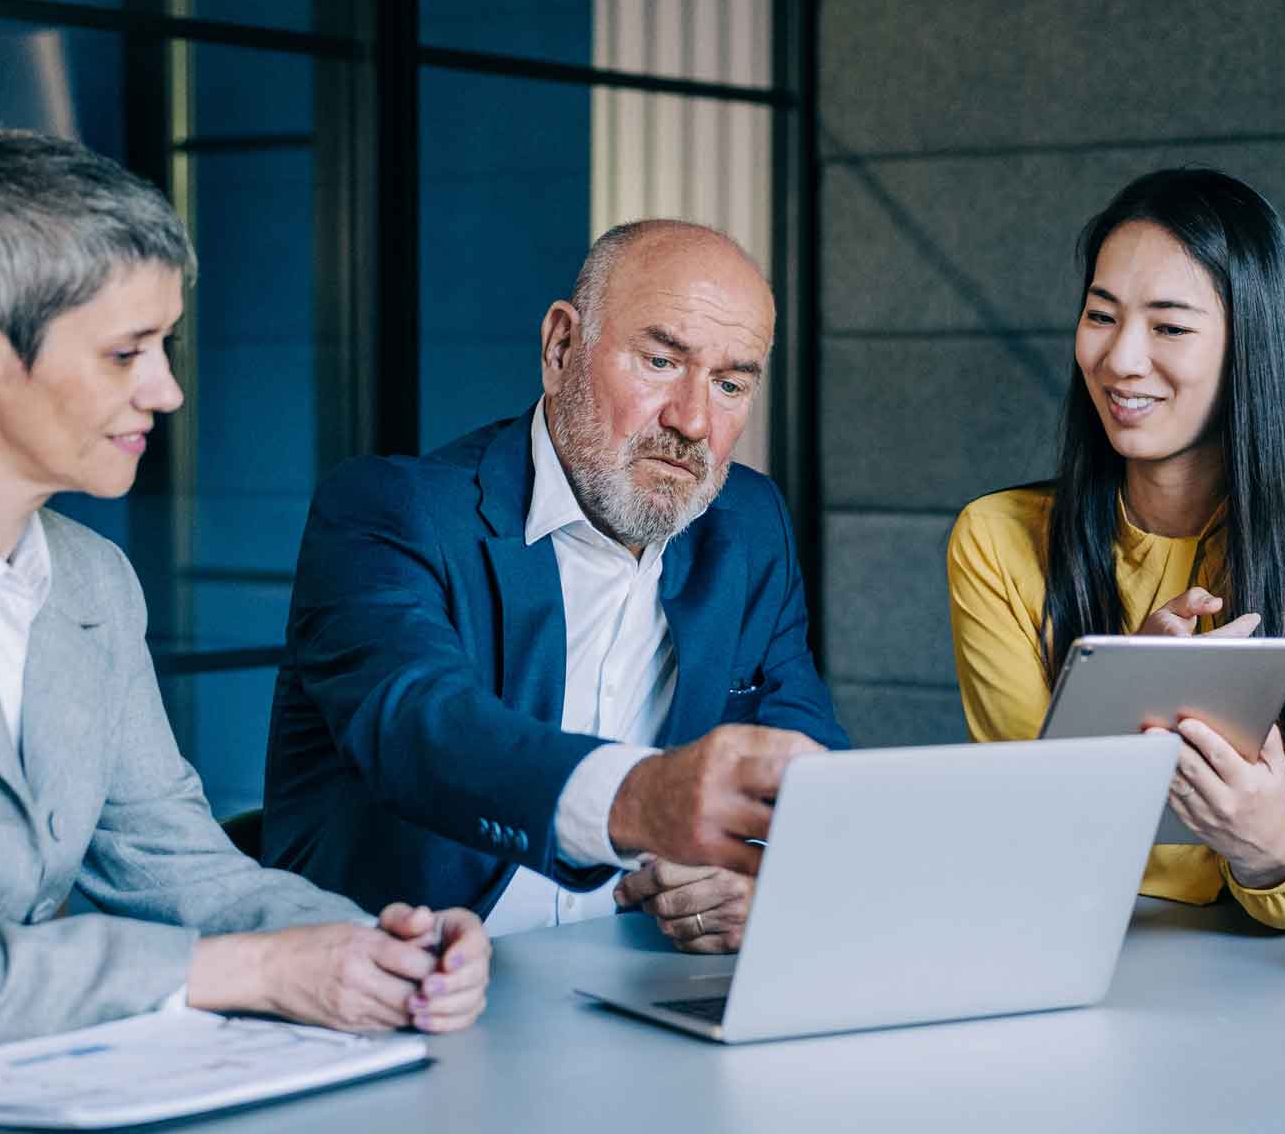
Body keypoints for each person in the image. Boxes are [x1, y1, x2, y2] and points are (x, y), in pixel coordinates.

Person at [0, 130, 488, 1075]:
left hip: (14, 1090)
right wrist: (253, 970)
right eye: (126, 352)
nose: (167, 389)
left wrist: (374, 950)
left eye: (164, 345)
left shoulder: (92, 579)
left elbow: (178, 862)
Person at [263, 219, 847, 954]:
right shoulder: (391, 509)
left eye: (729, 384)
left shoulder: (747, 524)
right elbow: (419, 727)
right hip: (404, 982)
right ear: (561, 347)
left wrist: (758, 875)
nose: (693, 422)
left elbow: (807, 756)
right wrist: (642, 798)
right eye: (662, 362)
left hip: (641, 976)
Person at [946, 169, 1285, 929]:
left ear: (1248, 346)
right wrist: (1121, 699)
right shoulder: (998, 539)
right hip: (1076, 939)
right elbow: (1025, 834)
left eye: (1168, 326)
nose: (1120, 359)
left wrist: (1260, 844)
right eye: (1101, 315)